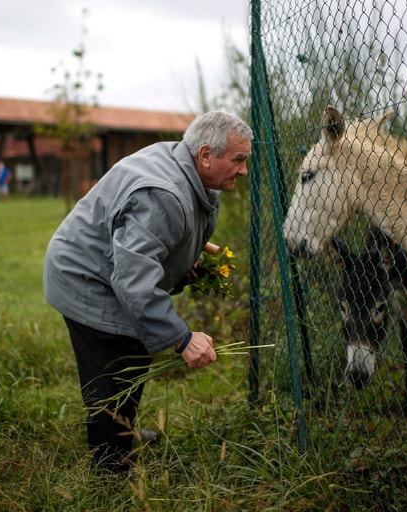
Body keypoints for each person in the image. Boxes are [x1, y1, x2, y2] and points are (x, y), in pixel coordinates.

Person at [43, 111, 253, 472]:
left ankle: (123, 436)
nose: (244, 170)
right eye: (238, 160)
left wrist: (182, 261)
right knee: (115, 370)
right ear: (205, 154)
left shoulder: (183, 165)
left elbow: (148, 243)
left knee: (133, 355)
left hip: (107, 270)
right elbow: (133, 281)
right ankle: (112, 469)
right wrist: (183, 338)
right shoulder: (163, 195)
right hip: (86, 278)